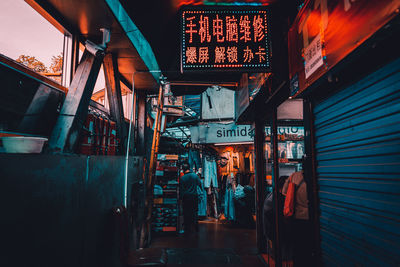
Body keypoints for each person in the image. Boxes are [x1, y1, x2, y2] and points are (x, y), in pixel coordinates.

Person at [282, 164, 312, 266]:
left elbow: (284, 193)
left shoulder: (294, 176)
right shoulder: (318, 176)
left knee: (298, 246)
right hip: (312, 219)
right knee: (310, 247)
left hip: (297, 217)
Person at [179, 162, 201, 234]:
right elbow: (199, 184)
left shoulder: (182, 178)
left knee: (186, 213)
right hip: (194, 196)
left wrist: (180, 199)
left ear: (183, 169)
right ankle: (196, 227)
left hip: (186, 197)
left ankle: (187, 228)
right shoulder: (195, 176)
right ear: (189, 168)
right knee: (194, 212)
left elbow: (181, 190)